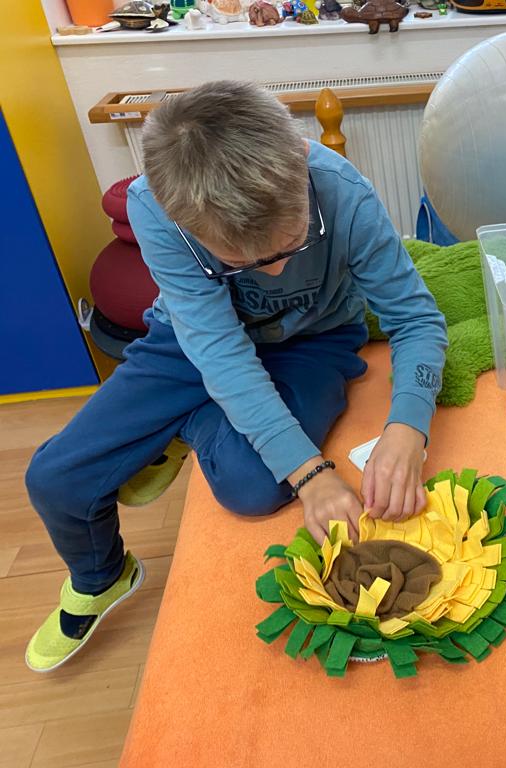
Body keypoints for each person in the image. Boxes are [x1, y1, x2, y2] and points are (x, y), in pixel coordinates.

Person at [24, 80, 447, 672]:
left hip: (313, 340)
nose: (273, 272)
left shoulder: (343, 192)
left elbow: (416, 319)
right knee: (53, 479)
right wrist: (312, 474)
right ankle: (103, 577)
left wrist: (408, 428)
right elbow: (219, 352)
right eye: (241, 262)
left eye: (292, 244)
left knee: (252, 488)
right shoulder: (153, 207)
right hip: (191, 343)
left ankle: (192, 421)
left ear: (299, 162)